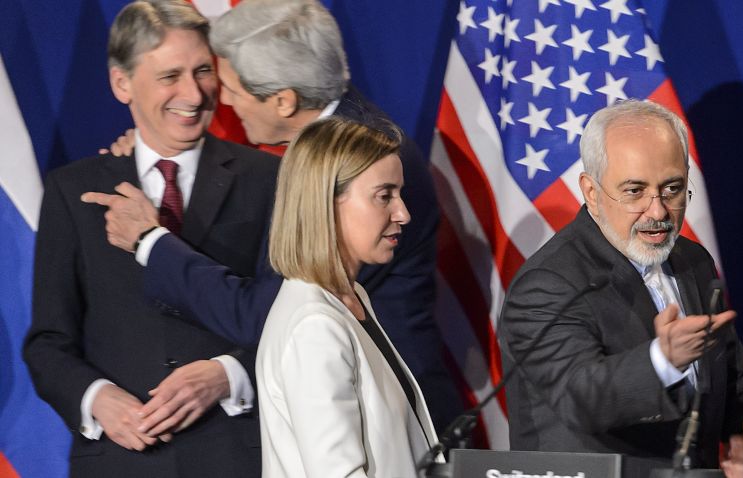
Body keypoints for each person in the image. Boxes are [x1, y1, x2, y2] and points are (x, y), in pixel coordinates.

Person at [82, 0, 461, 430]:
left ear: (283, 101)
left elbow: (266, 316)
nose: (221, 102)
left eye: (235, 90)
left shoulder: (353, 165)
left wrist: (149, 241)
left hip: (386, 423)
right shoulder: (347, 134)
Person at [23, 1, 277, 475]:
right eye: (169, 76)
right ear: (122, 83)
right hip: (122, 459)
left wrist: (229, 374)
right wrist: (98, 400)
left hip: (238, 456)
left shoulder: (269, 180)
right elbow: (48, 342)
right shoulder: (73, 190)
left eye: (203, 71)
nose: (194, 93)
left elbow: (293, 323)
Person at [498, 100, 743, 477]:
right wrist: (662, 361)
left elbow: (733, 376)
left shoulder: (693, 262)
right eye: (635, 191)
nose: (658, 211)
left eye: (672, 189)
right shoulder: (548, 283)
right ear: (591, 191)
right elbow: (581, 396)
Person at [255, 116, 438, 476]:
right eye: (384, 196)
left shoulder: (351, 296)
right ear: (326, 201)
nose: (403, 213)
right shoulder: (314, 326)